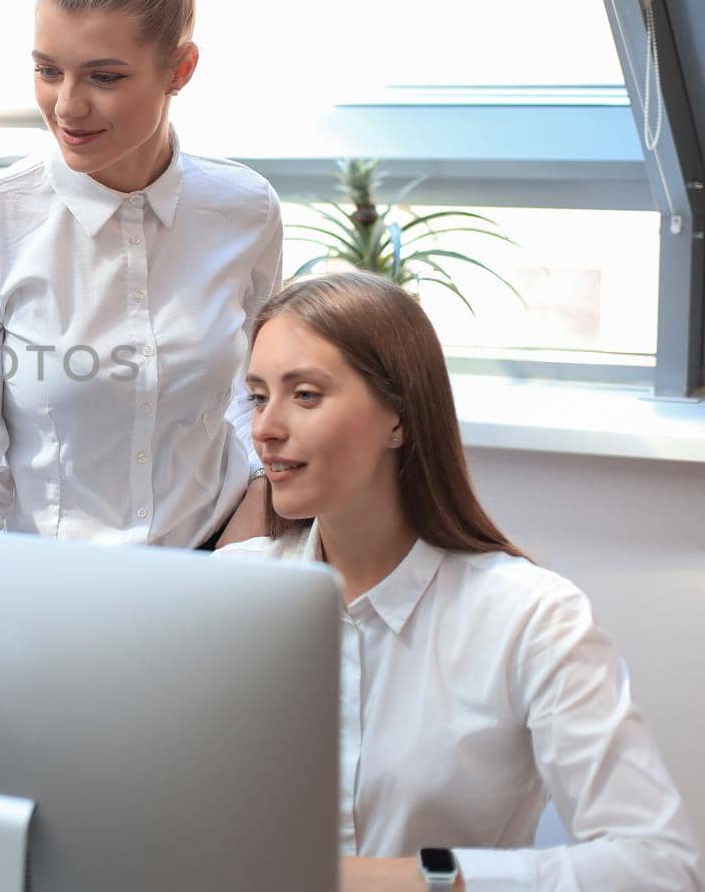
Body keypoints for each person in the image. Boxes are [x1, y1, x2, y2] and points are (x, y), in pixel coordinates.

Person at [219, 272, 701, 890]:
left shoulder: (531, 618)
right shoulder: (233, 593)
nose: (265, 428)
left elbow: (659, 867)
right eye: (259, 397)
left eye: (305, 395)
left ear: (399, 417)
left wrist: (402, 881)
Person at [0, 0, 281, 549]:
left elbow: (260, 392)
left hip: (226, 564)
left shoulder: (246, 210)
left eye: (104, 77)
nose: (67, 106)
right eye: (48, 71)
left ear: (181, 69)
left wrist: (254, 514)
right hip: (55, 598)